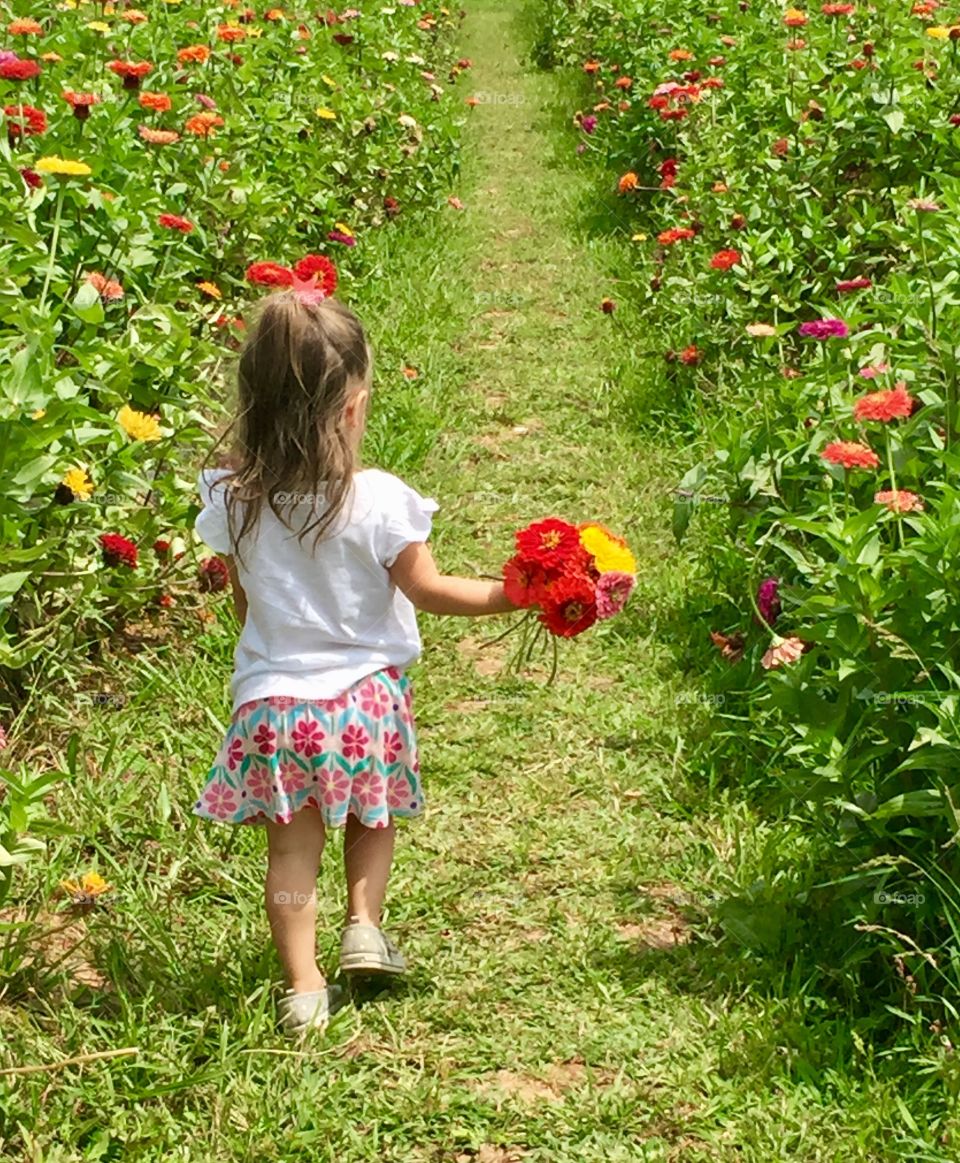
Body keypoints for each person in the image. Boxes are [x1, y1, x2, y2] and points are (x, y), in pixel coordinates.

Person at [193, 289, 515, 1036]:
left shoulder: (235, 498)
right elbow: (431, 592)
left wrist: (267, 662)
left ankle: (303, 989)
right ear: (352, 406)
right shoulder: (376, 501)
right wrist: (516, 594)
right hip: (364, 704)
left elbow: (243, 602)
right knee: (373, 816)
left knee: (291, 849)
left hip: (274, 708)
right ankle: (364, 924)